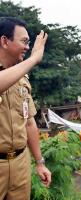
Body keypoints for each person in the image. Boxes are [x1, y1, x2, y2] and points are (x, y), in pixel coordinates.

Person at [0, 17, 51, 199]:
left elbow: (29, 123)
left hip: (21, 163)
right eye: (24, 41)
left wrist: (39, 162)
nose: (28, 47)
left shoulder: (22, 79)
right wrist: (34, 59)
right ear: (4, 41)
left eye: (29, 43)